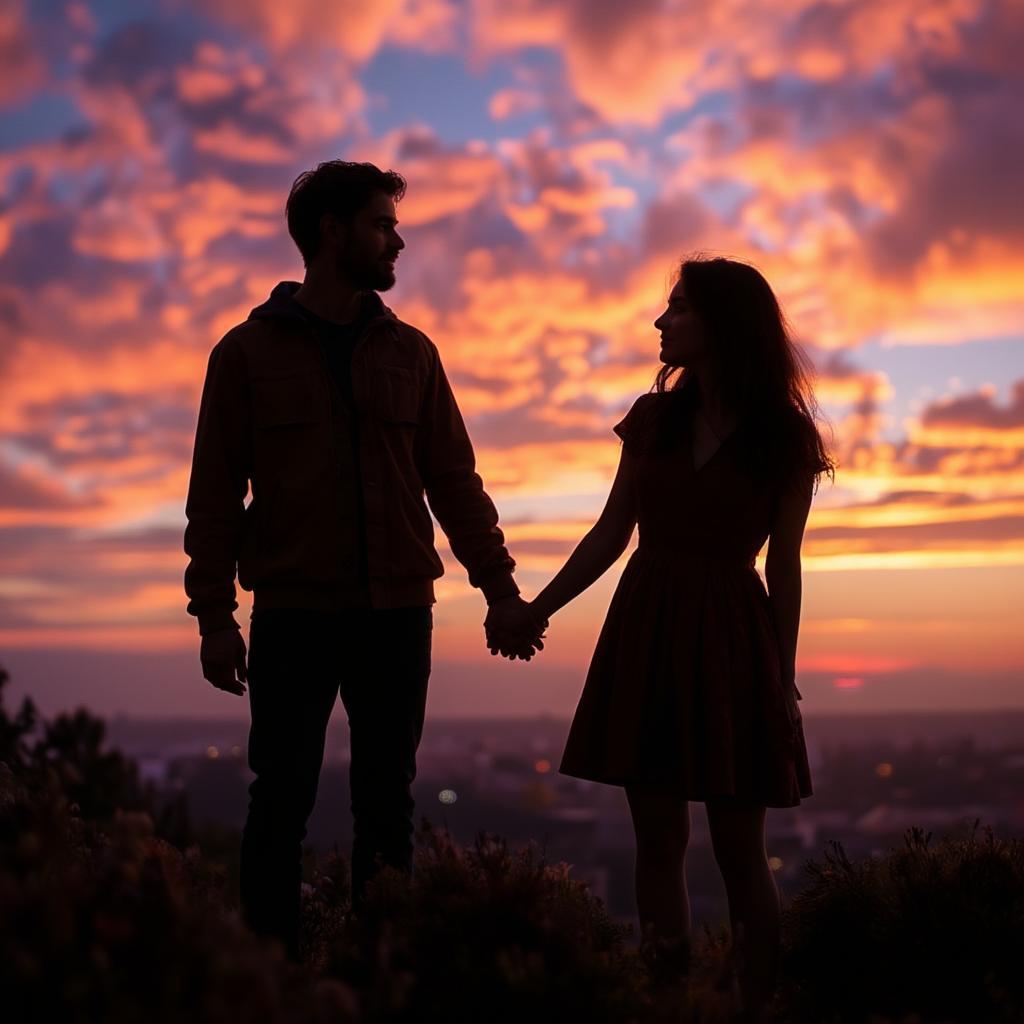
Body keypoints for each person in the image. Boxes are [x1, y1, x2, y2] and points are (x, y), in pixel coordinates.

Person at [183, 160, 545, 961]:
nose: (398, 239)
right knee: (279, 802)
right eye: (382, 224)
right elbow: (212, 498)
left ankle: (383, 978)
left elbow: (455, 483)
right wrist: (215, 618)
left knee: (388, 807)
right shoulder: (243, 355)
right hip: (293, 613)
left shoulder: (413, 353)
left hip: (396, 613)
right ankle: (267, 983)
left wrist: (501, 590)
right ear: (331, 232)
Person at [503, 256, 834, 1020]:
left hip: (734, 642)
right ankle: (669, 1005)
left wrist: (781, 683)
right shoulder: (653, 421)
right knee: (657, 845)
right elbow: (611, 533)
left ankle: (756, 1009)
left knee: (739, 850)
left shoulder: (784, 439)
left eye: (678, 308)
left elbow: (785, 568)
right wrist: (534, 609)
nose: (660, 322)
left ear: (722, 325)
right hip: (648, 626)